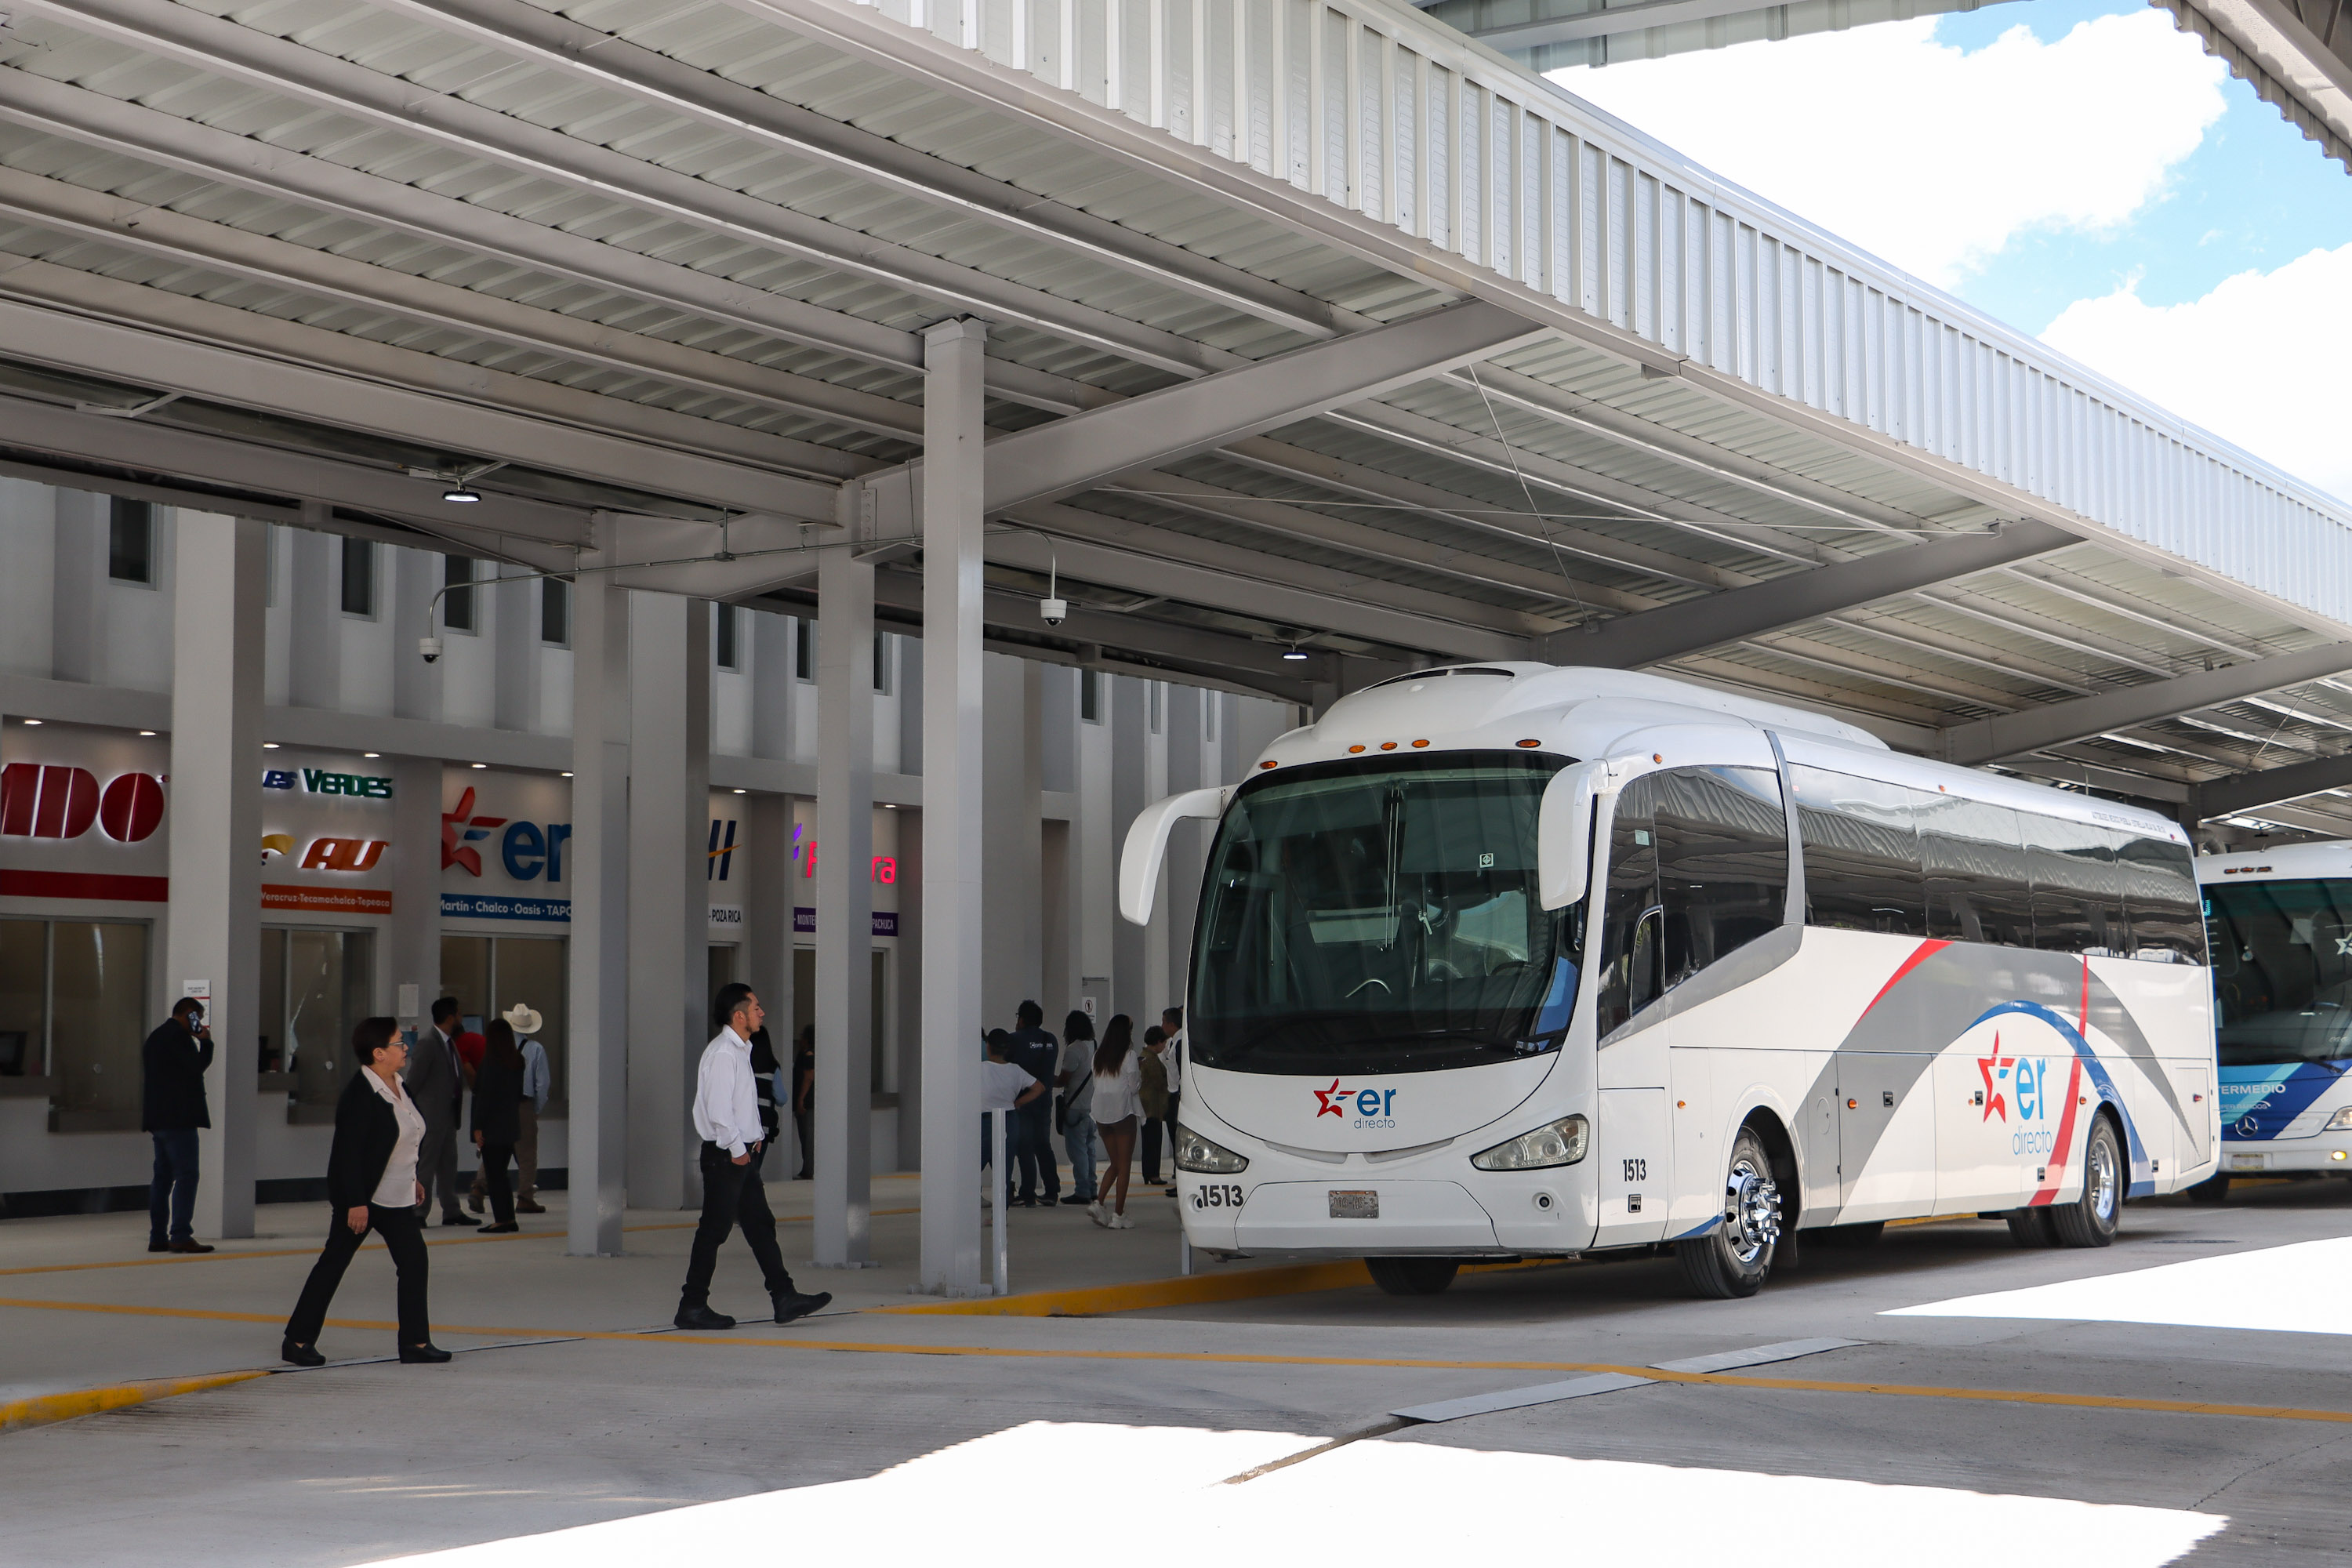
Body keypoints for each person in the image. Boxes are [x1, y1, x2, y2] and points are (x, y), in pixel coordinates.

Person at [281, 1018, 449, 1367]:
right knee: (333, 1264)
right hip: (363, 1199)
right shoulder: (360, 1094)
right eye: (399, 1043)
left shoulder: (400, 1085)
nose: (406, 1049)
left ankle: (415, 1344)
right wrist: (355, 1202)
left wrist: (413, 1178)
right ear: (379, 1053)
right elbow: (348, 1154)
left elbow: (406, 1139)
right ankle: (297, 1341)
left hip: (397, 1196)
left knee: (415, 1262)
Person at [677, 983, 831, 1331]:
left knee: (760, 1225)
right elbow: (719, 1112)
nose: (762, 1013)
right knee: (714, 1231)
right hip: (726, 1157)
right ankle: (692, 1305)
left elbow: (740, 1106)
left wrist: (756, 1139)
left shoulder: (741, 1050)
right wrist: (738, 1151)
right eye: (756, 1007)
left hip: (740, 1155)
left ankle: (784, 1296)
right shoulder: (723, 1054)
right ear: (739, 1015)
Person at [141, 996, 215, 1254]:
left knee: (162, 1178)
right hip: (179, 1119)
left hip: (158, 1119)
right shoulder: (178, 1038)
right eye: (198, 1018)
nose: (200, 1023)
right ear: (189, 1014)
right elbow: (196, 1067)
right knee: (187, 1176)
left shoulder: (155, 1037)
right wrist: (205, 1042)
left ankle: (158, 1236)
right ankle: (181, 1234)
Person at [470, 1004, 550, 1214]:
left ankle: (479, 1188)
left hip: (497, 1109)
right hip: (522, 1105)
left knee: (494, 1151)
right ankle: (525, 1197)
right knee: (526, 1155)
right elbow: (542, 1084)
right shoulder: (534, 1049)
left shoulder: (493, 1051)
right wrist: (536, 1109)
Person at [406, 999, 478, 1229]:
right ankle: (418, 1211)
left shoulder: (449, 1043)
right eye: (458, 1014)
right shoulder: (428, 1043)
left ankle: (452, 1210)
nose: (460, 1018)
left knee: (449, 1165)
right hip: (431, 1116)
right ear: (450, 1017)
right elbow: (414, 1081)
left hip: (447, 1115)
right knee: (426, 1165)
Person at [470, 1020, 525, 1234]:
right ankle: (508, 1217)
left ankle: (502, 1220)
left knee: (494, 1175)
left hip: (492, 1126)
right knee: (501, 1174)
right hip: (510, 1125)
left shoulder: (491, 1063)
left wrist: (478, 1127)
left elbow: (484, 1098)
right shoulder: (517, 1061)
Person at [1089, 1014, 1143, 1230]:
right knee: (1125, 1165)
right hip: (1122, 1114)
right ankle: (1118, 1215)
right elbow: (1133, 1088)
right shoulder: (1129, 1056)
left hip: (1101, 1115)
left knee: (1115, 1163)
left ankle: (1098, 1203)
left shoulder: (1098, 1056)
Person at [981, 1030, 1045, 1207]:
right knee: (1004, 1168)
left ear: (988, 1047)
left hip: (985, 1121)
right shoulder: (1015, 1070)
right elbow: (1039, 1088)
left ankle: (967, 1214)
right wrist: (1017, 1102)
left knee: (973, 1165)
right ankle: (1000, 1215)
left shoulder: (980, 1068)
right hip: (1009, 1120)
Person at [1005, 1000, 1061, 1207]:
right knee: (1043, 1145)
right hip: (1044, 1100)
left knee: (1024, 1147)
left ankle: (1028, 1192)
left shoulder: (1014, 1040)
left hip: (1023, 1101)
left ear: (1021, 1019)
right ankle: (1052, 1191)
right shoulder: (1051, 1040)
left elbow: (1006, 1065)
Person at [1054, 1009, 1098, 1208]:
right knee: (1090, 1149)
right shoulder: (1095, 1046)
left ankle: (1082, 1191)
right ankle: (1092, 1188)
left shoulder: (1074, 1050)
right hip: (1092, 1107)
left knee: (1077, 1151)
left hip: (1075, 1107)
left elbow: (1064, 1079)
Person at [1139, 1025, 1171, 1185]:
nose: (1165, 1046)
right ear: (1158, 1042)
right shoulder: (1151, 1060)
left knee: (1148, 1142)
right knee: (1154, 1141)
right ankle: (1154, 1174)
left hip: (1146, 1107)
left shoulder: (1143, 1057)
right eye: (1163, 1043)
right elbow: (1160, 1083)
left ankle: (1148, 1173)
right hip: (1153, 1107)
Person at [1160, 1007, 1186, 1197]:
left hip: (1177, 1094)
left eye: (1163, 1022)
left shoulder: (1180, 1043)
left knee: (1178, 1142)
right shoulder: (1173, 1042)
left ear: (1170, 1024)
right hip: (1173, 1094)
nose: (1162, 1026)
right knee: (1175, 1140)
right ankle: (1179, 1180)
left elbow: (1182, 1072)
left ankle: (1182, 1182)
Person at [749, 1022, 783, 1165]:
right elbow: (781, 1098)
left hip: (742, 1125)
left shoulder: (742, 1063)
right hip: (763, 1125)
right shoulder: (772, 1068)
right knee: (755, 1168)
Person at [791, 1023, 815, 1181]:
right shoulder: (808, 1055)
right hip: (809, 1101)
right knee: (806, 1137)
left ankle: (808, 1169)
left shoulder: (808, 1056)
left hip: (807, 1102)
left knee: (807, 1137)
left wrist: (801, 1099)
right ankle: (808, 1168)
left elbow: (808, 1077)